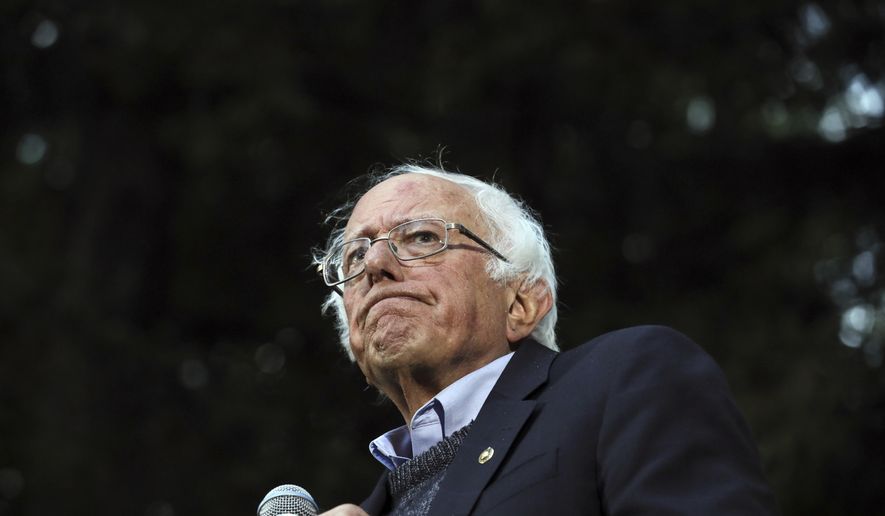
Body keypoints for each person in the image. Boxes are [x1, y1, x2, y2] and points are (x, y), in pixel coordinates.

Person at [312, 164, 777, 515]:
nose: (374, 264)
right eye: (353, 256)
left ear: (521, 303)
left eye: (422, 237)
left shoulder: (626, 378)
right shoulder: (373, 507)